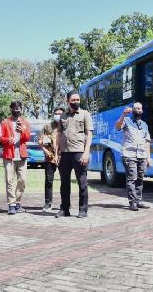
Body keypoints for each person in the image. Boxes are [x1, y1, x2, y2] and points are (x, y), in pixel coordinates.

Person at [56, 91, 93, 219]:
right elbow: (59, 135)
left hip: (79, 153)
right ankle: (64, 209)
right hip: (65, 154)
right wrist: (57, 153)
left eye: (78, 99)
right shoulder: (63, 116)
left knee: (82, 182)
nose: (76, 102)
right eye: (73, 100)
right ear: (68, 101)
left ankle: (83, 210)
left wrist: (86, 152)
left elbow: (89, 134)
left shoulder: (85, 114)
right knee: (64, 183)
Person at [115, 102, 151, 211]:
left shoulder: (144, 125)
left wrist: (148, 157)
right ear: (132, 110)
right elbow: (117, 127)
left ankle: (139, 201)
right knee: (132, 178)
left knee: (140, 179)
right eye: (135, 108)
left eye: (139, 108)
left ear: (142, 111)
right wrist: (123, 115)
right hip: (129, 155)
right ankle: (132, 202)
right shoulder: (126, 120)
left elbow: (147, 142)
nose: (138, 110)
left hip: (142, 155)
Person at [0, 101, 31, 215]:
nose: (16, 110)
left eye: (18, 108)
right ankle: (11, 204)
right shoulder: (4, 122)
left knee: (22, 180)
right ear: (11, 109)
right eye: (14, 108)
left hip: (22, 155)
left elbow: (27, 138)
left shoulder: (25, 122)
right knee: (9, 180)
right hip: (9, 155)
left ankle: (18, 202)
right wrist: (8, 140)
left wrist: (22, 131)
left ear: (21, 109)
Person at [39, 107, 63, 212]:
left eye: (60, 114)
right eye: (56, 113)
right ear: (53, 114)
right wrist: (45, 151)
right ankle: (48, 203)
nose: (58, 115)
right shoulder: (47, 127)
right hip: (50, 158)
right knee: (49, 181)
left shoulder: (66, 126)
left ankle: (65, 203)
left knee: (65, 181)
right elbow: (40, 141)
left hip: (63, 158)